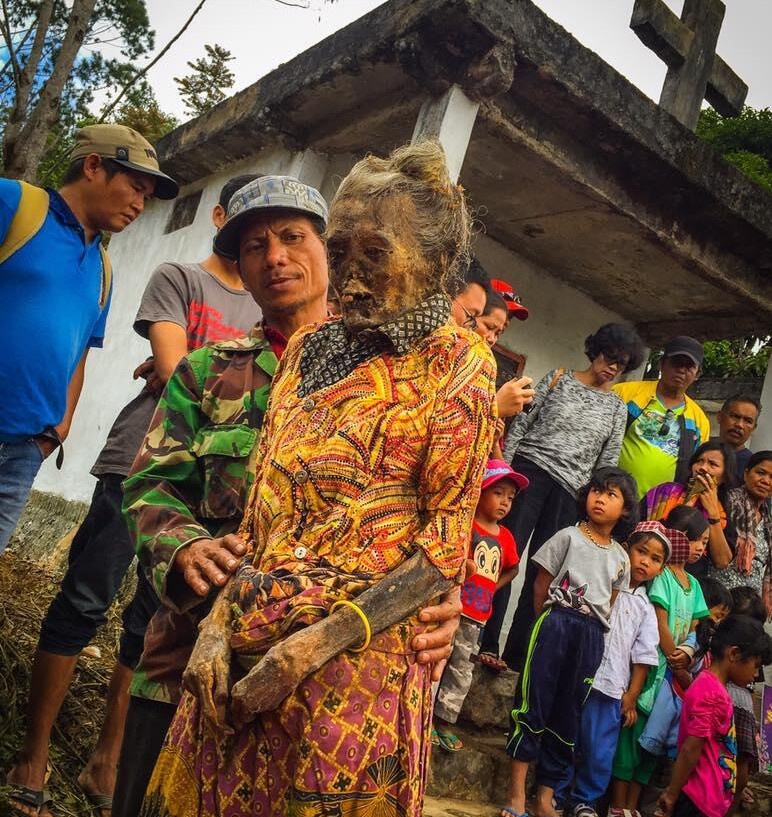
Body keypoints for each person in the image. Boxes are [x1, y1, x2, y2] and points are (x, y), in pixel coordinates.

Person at [138, 141, 496, 816]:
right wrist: (216, 629)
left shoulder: (460, 361)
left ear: (436, 263)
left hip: (351, 677)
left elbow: (442, 548)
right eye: (346, 249)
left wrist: (305, 652)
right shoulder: (303, 352)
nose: (352, 276)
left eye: (376, 255)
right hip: (238, 657)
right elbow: (256, 519)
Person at [5, 174, 260, 816]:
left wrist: (200, 371)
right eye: (249, 222)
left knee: (154, 625)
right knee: (86, 598)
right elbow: (178, 373)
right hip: (140, 463)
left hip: (216, 493)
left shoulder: (267, 311)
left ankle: (107, 763)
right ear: (223, 217)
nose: (263, 243)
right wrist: (214, 378)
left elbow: (208, 378)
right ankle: (32, 751)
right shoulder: (177, 277)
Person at [0, 124, 178, 554]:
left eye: (147, 197)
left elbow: (79, 354)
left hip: (22, 452)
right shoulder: (14, 204)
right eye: (135, 187)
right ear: (94, 166)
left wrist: (57, 430)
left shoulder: (104, 267)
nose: (140, 204)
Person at [487, 322, 645, 672]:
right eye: (610, 357)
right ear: (595, 351)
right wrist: (506, 473)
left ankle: (516, 656)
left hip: (570, 491)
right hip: (530, 474)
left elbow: (606, 463)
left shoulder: (618, 409)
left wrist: (592, 505)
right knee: (506, 556)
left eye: (622, 364)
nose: (613, 367)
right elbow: (523, 425)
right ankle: (487, 642)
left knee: (543, 572)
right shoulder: (558, 378)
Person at [499, 466, 638, 817]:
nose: (600, 498)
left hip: (591, 636)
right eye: (596, 490)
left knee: (568, 714)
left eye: (611, 494)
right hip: (555, 623)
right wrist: (549, 623)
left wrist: (587, 628)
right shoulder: (567, 537)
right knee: (533, 705)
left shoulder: (622, 557)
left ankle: (546, 797)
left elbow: (610, 603)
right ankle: (516, 794)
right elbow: (540, 586)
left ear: (624, 509)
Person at [559, 520, 666, 817]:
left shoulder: (646, 607)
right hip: (582, 677)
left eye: (655, 559)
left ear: (661, 569)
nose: (645, 561)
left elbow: (643, 657)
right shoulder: (604, 582)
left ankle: (585, 800)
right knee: (567, 737)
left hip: (611, 689)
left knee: (600, 751)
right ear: (626, 549)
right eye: (641, 551)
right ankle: (556, 791)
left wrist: (631, 696)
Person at [610, 504, 711, 814]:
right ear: (680, 537)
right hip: (653, 665)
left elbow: (696, 627)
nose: (701, 548)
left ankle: (634, 806)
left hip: (674, 674)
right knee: (632, 735)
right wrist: (673, 657)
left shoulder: (693, 585)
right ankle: (618, 805)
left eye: (705, 543)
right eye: (698, 540)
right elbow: (660, 621)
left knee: (652, 743)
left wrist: (688, 654)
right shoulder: (662, 575)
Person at [433, 459, 528, 752]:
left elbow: (512, 568)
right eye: (498, 493)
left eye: (511, 498)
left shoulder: (507, 537)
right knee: (438, 662)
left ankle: (444, 720)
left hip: (478, 618)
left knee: (462, 669)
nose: (505, 502)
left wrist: (492, 587)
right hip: (452, 608)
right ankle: (423, 717)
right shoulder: (467, 525)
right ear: (481, 491)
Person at [656, 615, 772, 817]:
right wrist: (671, 794)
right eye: (755, 665)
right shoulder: (712, 694)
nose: (755, 675)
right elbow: (691, 749)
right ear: (734, 654)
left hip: (707, 801)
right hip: (699, 801)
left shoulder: (712, 688)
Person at [615, 336, 710, 499]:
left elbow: (698, 470)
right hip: (612, 495)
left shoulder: (699, 420)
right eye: (676, 363)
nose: (681, 370)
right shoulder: (624, 393)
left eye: (689, 366)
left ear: (697, 374)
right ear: (661, 364)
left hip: (659, 509)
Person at [643, 440, 737, 578]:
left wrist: (712, 513)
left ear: (725, 475)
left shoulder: (723, 512)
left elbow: (722, 561)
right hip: (649, 571)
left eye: (713, 464)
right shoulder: (665, 493)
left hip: (688, 582)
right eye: (699, 461)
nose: (703, 467)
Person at [708, 451, 772, 616]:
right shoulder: (726, 502)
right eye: (761, 472)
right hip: (717, 601)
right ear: (746, 473)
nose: (765, 481)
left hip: (748, 609)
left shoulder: (768, 520)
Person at [713, 393, 762, 484]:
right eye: (735, 416)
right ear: (719, 417)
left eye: (748, 421)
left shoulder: (754, 466)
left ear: (753, 428)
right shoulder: (699, 449)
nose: (739, 425)